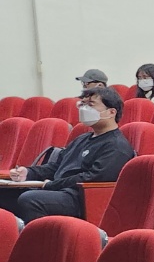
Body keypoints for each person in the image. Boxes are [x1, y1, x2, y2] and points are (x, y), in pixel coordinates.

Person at [0, 88, 135, 221]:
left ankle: (42, 235)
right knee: (4, 194)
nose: (84, 109)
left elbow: (93, 178)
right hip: (60, 190)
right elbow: (57, 166)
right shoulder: (82, 139)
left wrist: (53, 184)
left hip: (80, 198)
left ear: (111, 112)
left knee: (30, 199)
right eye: (83, 104)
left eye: (91, 104)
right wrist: (29, 172)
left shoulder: (117, 146)